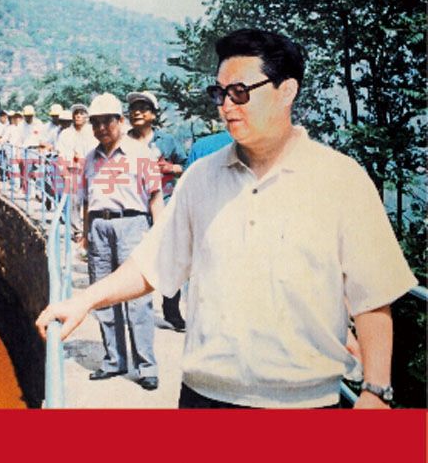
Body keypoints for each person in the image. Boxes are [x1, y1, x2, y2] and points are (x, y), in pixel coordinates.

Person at [36, 28, 416, 408]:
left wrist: (376, 390)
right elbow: (150, 264)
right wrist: (83, 301)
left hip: (306, 403)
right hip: (206, 398)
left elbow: (372, 296)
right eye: (220, 93)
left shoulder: (341, 179)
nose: (226, 106)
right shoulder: (201, 178)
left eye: (240, 92)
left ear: (287, 91)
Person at [79, 93, 164, 391]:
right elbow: (86, 200)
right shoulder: (90, 159)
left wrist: (159, 235)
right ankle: (114, 360)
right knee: (103, 296)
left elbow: (155, 196)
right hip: (99, 228)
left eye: (107, 121)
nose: (101, 128)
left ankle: (146, 367)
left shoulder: (141, 154)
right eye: (95, 123)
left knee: (137, 300)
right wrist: (86, 235)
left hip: (132, 225)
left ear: (121, 121)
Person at [125, 90, 188, 332]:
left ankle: (172, 312)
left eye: (143, 108)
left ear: (153, 114)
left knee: (170, 258)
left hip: (165, 207)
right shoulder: (122, 141)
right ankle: (137, 313)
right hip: (133, 208)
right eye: (133, 108)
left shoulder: (167, 141)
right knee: (133, 259)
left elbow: (186, 165)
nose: (137, 112)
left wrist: (170, 168)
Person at [56, 103, 97, 243]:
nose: (78, 116)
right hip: (73, 170)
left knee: (91, 201)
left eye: (81, 113)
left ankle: (89, 229)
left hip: (90, 169)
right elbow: (60, 153)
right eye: (76, 113)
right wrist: (63, 171)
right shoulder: (66, 134)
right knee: (74, 202)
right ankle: (77, 230)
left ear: (86, 116)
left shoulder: (92, 132)